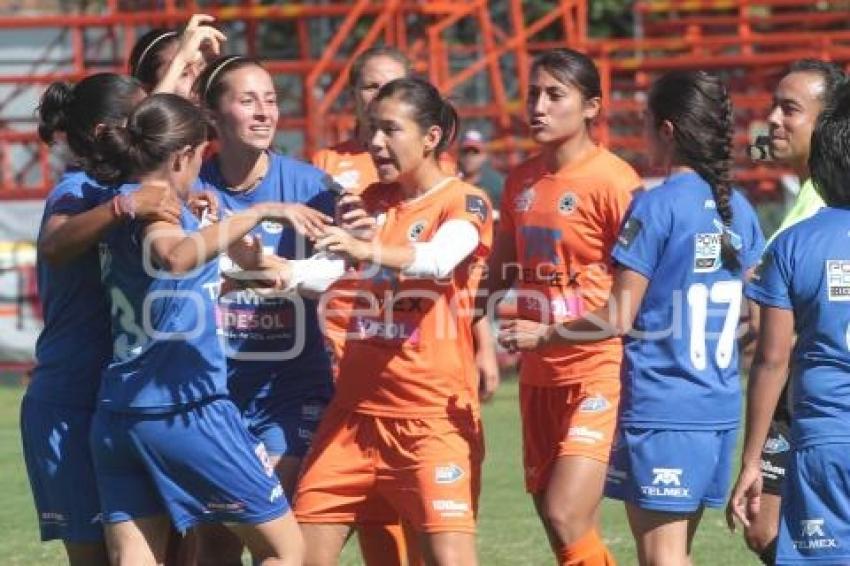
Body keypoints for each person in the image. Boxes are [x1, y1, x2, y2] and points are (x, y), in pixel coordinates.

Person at [499, 70, 765, 565]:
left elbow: (618, 316)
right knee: (675, 553)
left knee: (660, 558)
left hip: (663, 404)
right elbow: (756, 315)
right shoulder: (741, 210)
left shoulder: (655, 205)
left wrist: (546, 336)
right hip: (719, 405)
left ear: (666, 131)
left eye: (643, 122)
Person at [85, 93, 329, 565]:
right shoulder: (159, 211)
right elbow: (174, 257)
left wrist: (238, 277)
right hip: (187, 411)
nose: (202, 166)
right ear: (181, 156)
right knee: (286, 550)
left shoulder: (118, 203)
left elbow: (169, 288)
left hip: (118, 414)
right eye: (200, 155)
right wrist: (253, 214)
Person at [294, 77, 493, 566]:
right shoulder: (370, 200)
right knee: (294, 555)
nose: (374, 142)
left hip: (431, 422)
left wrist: (366, 248)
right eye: (370, 129)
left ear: (430, 138)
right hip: (353, 418)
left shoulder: (465, 201)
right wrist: (262, 271)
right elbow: (326, 271)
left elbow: (438, 259)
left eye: (389, 130)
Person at [480, 48, 640, 565]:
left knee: (566, 513)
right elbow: (499, 274)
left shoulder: (616, 181)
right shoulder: (520, 181)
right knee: (559, 526)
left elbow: (635, 289)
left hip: (597, 370)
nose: (539, 106)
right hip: (537, 377)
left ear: (592, 106)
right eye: (533, 94)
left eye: (555, 94)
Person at [20, 73, 180, 566]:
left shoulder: (132, 182)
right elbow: (54, 244)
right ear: (106, 130)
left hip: (132, 403)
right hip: (71, 400)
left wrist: (189, 55)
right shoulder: (78, 190)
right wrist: (124, 207)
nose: (149, 134)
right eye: (136, 125)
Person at [191, 55, 338, 564]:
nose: (263, 112)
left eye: (271, 100)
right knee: (215, 544)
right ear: (212, 115)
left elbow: (345, 268)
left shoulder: (312, 188)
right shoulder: (192, 188)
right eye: (247, 100)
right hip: (214, 391)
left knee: (270, 527)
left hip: (290, 387)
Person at [727, 59, 844, 566]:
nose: (772, 119)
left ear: (829, 122)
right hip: (800, 404)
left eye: (790, 108)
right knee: (765, 527)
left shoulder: (822, 213)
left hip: (815, 407)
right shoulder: (805, 203)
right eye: (774, 104)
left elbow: (786, 338)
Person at [128, 14, 225, 98]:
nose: (198, 79)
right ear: (148, 89)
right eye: (183, 74)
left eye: (201, 66)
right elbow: (153, 114)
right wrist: (181, 60)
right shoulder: (146, 117)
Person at [457, 129, 504, 210]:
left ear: (484, 156)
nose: (469, 157)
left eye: (475, 152)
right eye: (465, 151)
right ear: (459, 154)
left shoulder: (495, 185)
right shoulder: (450, 182)